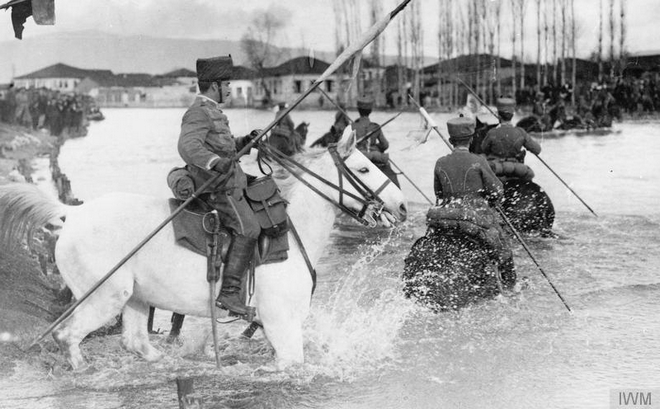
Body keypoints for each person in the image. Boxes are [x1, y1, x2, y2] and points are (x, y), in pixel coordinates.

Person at [178, 55, 261, 317]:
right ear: (214, 85)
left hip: (228, 182)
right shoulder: (199, 112)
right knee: (249, 228)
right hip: (216, 188)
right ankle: (229, 293)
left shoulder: (212, 111)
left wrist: (246, 141)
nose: (229, 89)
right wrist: (214, 162)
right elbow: (188, 146)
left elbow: (222, 145)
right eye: (226, 84)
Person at [434, 116, 515, 286]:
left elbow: (438, 193)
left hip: (448, 213)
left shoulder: (440, 162)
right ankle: (509, 283)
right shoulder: (479, 161)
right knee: (503, 247)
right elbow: (497, 190)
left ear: (450, 140)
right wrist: (492, 202)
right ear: (471, 139)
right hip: (476, 215)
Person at [481, 97, 542, 181]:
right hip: (518, 169)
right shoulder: (521, 132)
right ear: (512, 115)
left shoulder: (492, 132)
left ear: (498, 115)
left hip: (496, 168)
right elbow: (537, 149)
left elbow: (483, 149)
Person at [352, 96, 400, 187]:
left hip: (359, 158)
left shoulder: (352, 126)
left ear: (358, 110)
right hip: (375, 157)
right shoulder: (375, 127)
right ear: (370, 111)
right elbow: (385, 145)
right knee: (390, 175)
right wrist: (376, 147)